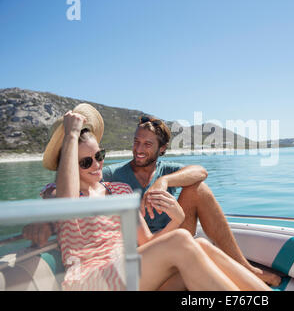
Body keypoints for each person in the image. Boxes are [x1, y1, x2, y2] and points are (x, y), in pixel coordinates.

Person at [26, 103, 271, 291]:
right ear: (68, 164)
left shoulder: (118, 190)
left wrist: (177, 220)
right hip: (91, 279)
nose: (97, 165)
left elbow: (147, 244)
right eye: (85, 161)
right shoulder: (58, 193)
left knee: (200, 243)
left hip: (131, 271)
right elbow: (66, 205)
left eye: (99, 155)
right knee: (182, 241)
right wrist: (70, 134)